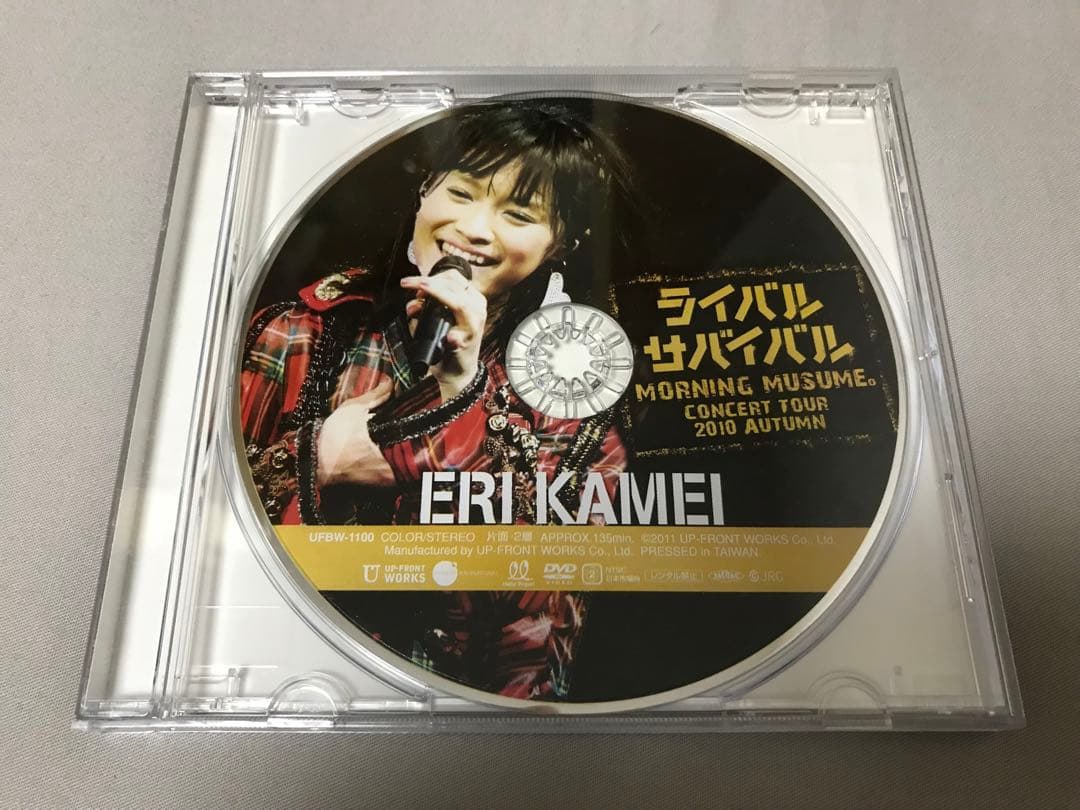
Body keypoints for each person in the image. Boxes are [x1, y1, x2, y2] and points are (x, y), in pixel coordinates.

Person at [240, 100, 636, 700]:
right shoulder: (301, 333)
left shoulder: (571, 400)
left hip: (453, 713)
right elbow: (202, 536)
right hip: (286, 679)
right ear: (425, 190)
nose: (475, 228)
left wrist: (462, 392)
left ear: (562, 242)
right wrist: (316, 459)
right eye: (461, 192)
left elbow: (542, 626)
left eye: (518, 213)